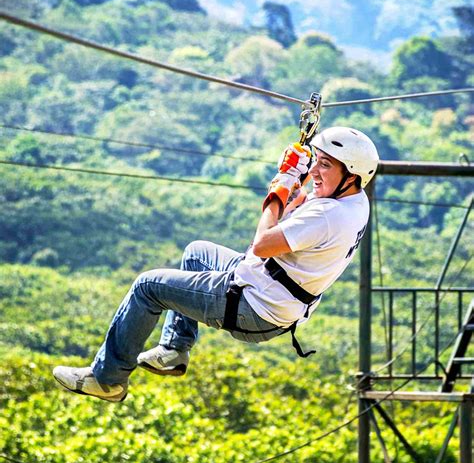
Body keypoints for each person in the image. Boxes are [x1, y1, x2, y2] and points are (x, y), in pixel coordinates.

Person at [53, 126, 379, 402]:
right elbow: (305, 206)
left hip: (255, 306)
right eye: (317, 163)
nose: (317, 173)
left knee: (147, 287)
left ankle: (107, 379)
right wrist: (301, 177)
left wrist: (278, 189)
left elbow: (263, 243)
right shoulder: (354, 201)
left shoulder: (328, 216)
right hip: (276, 292)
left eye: (326, 166)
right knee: (197, 253)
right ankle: (174, 349)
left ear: (350, 175)